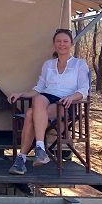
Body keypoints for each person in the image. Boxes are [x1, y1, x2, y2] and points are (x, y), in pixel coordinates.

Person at [8, 28, 90, 175]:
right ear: (54, 44)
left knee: (30, 114)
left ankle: (21, 159)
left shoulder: (79, 64)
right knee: (38, 99)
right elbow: (39, 88)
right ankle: (40, 148)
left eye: (65, 41)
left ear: (71, 43)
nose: (62, 44)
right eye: (58, 41)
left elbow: (84, 89)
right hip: (46, 98)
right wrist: (21, 93)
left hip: (66, 102)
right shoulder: (48, 65)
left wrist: (72, 97)